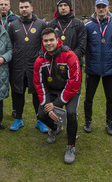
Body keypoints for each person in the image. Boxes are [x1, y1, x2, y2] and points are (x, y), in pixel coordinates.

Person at [33, 27, 81, 165]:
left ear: (57, 40)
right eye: (46, 41)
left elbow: (74, 82)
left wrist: (57, 104)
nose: (49, 43)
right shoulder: (40, 60)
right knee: (41, 115)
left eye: (51, 40)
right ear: (42, 42)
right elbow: (39, 84)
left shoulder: (70, 55)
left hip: (70, 91)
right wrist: (47, 105)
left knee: (71, 113)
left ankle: (71, 146)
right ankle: (55, 129)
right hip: (52, 91)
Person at [7, 0, 48, 133]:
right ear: (18, 9)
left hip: (34, 67)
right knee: (18, 93)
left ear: (31, 8)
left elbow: (46, 44)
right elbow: (9, 45)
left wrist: (40, 56)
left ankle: (40, 120)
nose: (24, 10)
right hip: (17, 66)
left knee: (37, 94)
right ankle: (18, 119)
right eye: (21, 7)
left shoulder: (41, 24)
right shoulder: (13, 26)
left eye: (26, 7)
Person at [83, 0, 112, 135]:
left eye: (103, 7)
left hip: (110, 70)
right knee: (88, 97)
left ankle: (109, 123)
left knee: (110, 99)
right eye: (98, 7)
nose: (101, 9)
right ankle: (88, 121)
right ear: (94, 8)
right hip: (92, 69)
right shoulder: (88, 26)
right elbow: (84, 46)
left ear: (108, 8)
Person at [48, 0, 86, 64]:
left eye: (65, 5)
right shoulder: (51, 25)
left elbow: (81, 45)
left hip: (74, 62)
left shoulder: (79, 24)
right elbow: (47, 44)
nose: (63, 8)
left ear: (70, 7)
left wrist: (71, 58)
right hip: (55, 62)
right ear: (57, 8)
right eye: (60, 5)